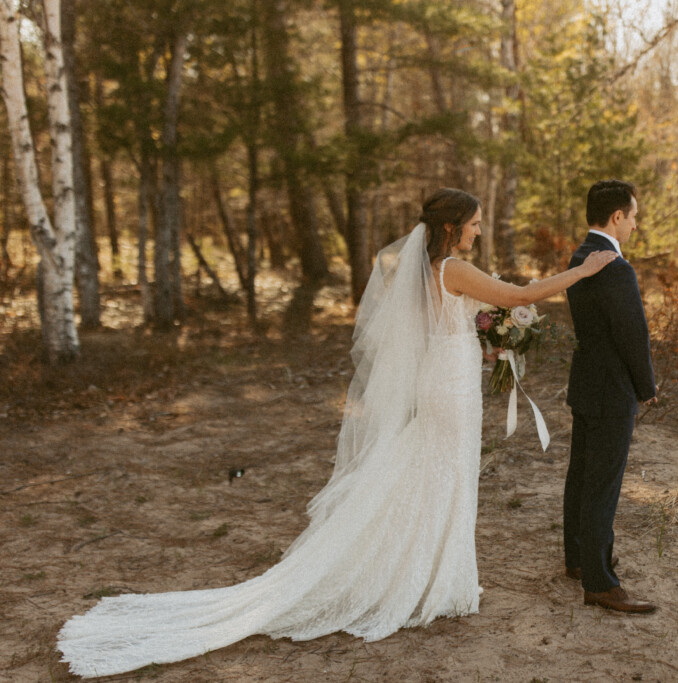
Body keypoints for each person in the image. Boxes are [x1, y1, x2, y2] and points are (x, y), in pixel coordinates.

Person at [57, 188, 616, 678]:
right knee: (439, 474)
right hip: (448, 387)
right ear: (451, 227)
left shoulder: (432, 269)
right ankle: (423, 584)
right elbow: (519, 295)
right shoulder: (451, 266)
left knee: (434, 474)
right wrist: (582, 273)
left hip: (447, 377)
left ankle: (439, 581)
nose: (478, 230)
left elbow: (462, 321)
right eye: (473, 223)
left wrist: (491, 342)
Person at [563, 179, 658, 614]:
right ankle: (600, 582)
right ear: (616, 217)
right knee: (602, 484)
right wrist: (646, 388)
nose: (636, 224)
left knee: (582, 475)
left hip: (585, 382)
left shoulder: (579, 258)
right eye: (633, 216)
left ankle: (580, 560)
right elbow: (632, 335)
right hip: (612, 389)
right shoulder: (615, 268)